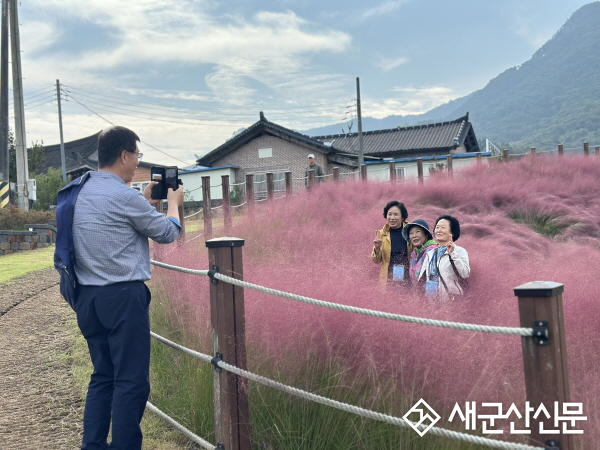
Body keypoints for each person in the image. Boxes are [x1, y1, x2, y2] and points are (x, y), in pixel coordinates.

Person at [70, 126, 184, 450]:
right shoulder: (122, 195)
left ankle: (92, 445)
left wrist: (144, 199)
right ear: (124, 155)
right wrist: (173, 203)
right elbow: (165, 233)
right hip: (121, 299)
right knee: (131, 382)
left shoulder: (81, 188)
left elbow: (117, 218)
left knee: (103, 376)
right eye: (136, 156)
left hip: (87, 298)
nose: (137, 162)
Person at [419, 215, 470, 299]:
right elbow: (422, 278)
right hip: (431, 301)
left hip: (452, 300)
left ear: (452, 232)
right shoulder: (430, 253)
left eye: (443, 227)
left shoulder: (460, 251)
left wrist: (453, 254)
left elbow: (465, 274)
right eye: (437, 227)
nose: (439, 230)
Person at [372, 201, 412, 284]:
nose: (392, 217)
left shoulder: (410, 231)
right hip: (388, 280)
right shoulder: (381, 234)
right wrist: (377, 248)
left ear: (402, 217)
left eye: (396, 214)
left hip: (409, 278)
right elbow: (376, 261)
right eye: (389, 214)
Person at [402, 219, 438, 284]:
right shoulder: (414, 253)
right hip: (416, 292)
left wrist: (429, 293)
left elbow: (433, 277)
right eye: (411, 233)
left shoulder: (432, 251)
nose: (414, 235)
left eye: (417, 231)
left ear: (426, 234)